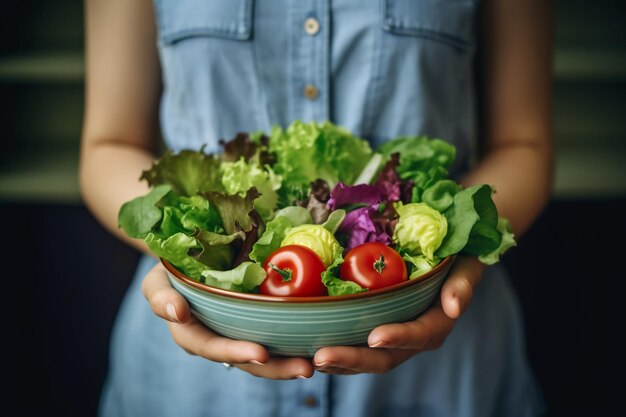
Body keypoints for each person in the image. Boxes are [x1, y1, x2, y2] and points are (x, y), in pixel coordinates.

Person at [80, 0, 553, 416]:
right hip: (186, 379)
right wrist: (183, 250)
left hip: (445, 366)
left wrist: (457, 248)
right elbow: (109, 145)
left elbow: (524, 144)